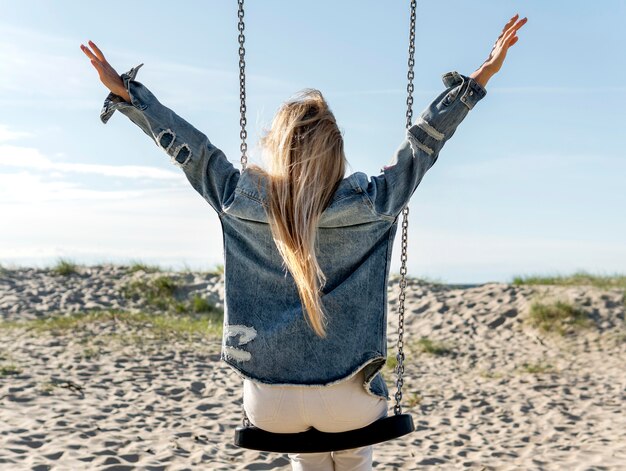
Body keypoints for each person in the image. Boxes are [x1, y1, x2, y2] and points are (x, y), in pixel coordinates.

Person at [81, 12, 526, 471]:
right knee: (351, 447)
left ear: (275, 147)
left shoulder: (239, 200)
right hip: (348, 400)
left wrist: (129, 96)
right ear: (336, 153)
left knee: (302, 451)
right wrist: (478, 79)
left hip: (269, 404)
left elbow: (189, 150)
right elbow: (425, 143)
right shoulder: (374, 204)